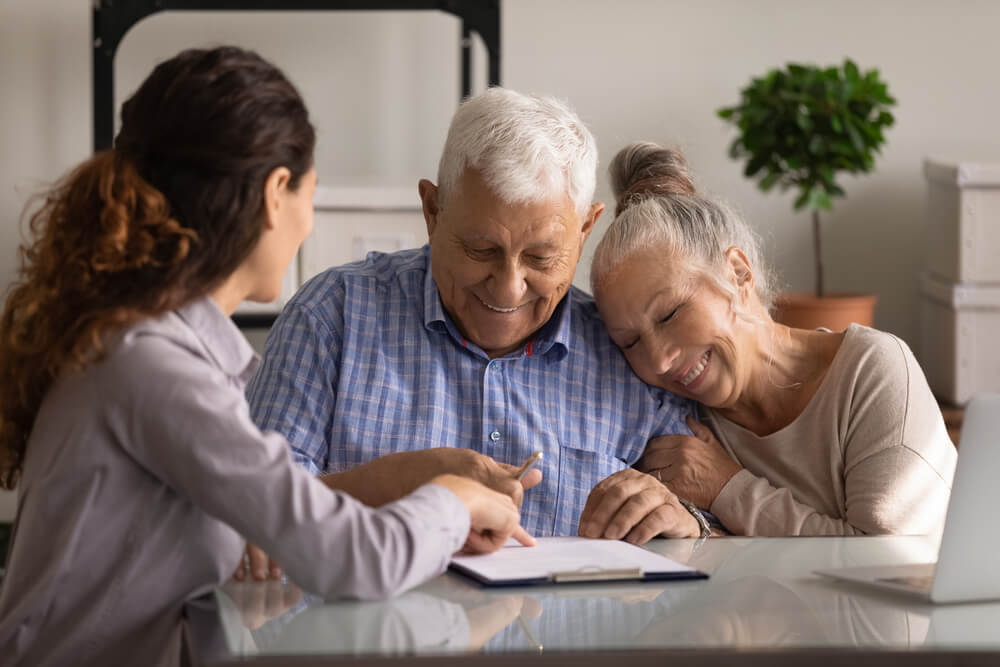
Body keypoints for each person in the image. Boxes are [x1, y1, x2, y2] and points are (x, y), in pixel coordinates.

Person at [0, 47, 531, 667]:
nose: (308, 220)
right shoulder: (153, 367)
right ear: (277, 193)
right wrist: (452, 499)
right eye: (310, 192)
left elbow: (282, 502)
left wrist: (424, 478)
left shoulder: (151, 345)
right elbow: (353, 558)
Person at [247, 87, 703, 552]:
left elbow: (710, 521)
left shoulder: (633, 347)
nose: (508, 288)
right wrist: (393, 484)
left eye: (542, 257)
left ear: (585, 229)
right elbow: (246, 516)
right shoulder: (332, 317)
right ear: (432, 210)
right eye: (480, 250)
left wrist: (689, 524)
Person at [589, 141, 957, 536]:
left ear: (738, 273)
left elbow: (884, 559)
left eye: (669, 314)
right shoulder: (676, 421)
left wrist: (728, 489)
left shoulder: (870, 371)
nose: (659, 360)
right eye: (630, 343)